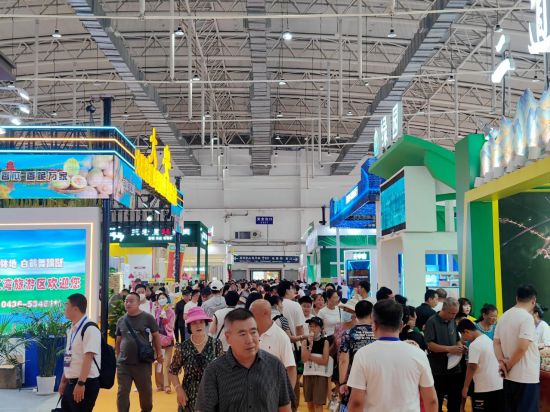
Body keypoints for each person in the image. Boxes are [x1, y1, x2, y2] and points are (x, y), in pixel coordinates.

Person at [347, 299, 438, 412]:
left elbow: (356, 402)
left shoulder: (363, 355)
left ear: (374, 325)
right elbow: (431, 400)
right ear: (401, 325)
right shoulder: (418, 354)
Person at [196, 309, 293, 412]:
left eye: (253, 332)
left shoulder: (275, 365)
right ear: (228, 337)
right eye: (242, 334)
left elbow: (285, 407)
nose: (250, 340)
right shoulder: (214, 371)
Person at [494, 285, 540, 412]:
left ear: (516, 298)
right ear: (533, 301)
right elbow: (522, 347)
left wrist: (502, 362)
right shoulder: (527, 318)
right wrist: (507, 365)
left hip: (509, 377)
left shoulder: (503, 316)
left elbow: (496, 342)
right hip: (525, 377)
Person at [169, 307, 223, 412]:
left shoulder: (216, 344)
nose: (198, 326)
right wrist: (178, 389)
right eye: (194, 323)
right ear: (189, 326)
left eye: (201, 322)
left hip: (211, 395)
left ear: (205, 323)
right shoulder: (183, 347)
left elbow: (222, 370)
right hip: (188, 397)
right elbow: (172, 371)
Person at [115, 292, 163, 412]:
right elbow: (118, 340)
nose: (128, 303)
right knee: (122, 392)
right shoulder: (121, 320)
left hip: (142, 363)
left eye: (131, 301)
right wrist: (118, 356)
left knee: (145, 393)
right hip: (124, 364)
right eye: (126, 301)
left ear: (138, 303)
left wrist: (159, 353)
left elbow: (156, 336)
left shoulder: (148, 318)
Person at [59, 294, 102, 412]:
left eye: (66, 305)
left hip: (85, 383)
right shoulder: (72, 329)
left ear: (75, 309)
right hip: (71, 382)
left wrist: (81, 383)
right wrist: (63, 381)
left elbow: (88, 358)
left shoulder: (90, 329)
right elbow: (69, 357)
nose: (64, 308)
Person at [424, 297, 464, 412]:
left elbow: (457, 340)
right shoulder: (432, 321)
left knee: (455, 401)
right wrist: (450, 349)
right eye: (452, 313)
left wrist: (460, 347)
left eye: (456, 313)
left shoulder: (452, 321)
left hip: (454, 368)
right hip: (438, 369)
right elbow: (430, 345)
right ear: (444, 309)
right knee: (438, 400)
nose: (454, 316)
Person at [457, 319, 504, 411]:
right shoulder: (487, 339)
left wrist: (465, 387)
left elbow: (472, 367)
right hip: (498, 386)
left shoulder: (474, 345)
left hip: (484, 388)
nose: (464, 339)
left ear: (466, 331)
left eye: (463, 335)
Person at [250, 299, 297, 387]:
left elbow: (291, 368)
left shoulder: (281, 337)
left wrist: (288, 394)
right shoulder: (249, 334)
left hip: (273, 390)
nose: (249, 317)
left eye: (252, 313)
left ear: (265, 313)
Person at [338, 300, 376, 404]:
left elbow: (343, 360)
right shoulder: (378, 334)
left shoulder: (348, 333)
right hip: (375, 378)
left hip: (354, 379)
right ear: (372, 314)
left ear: (356, 314)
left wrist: (342, 383)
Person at [301, 316, 331, 412]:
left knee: (318, 404)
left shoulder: (325, 342)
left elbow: (325, 361)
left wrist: (310, 357)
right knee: (309, 404)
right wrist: (310, 345)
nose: (312, 328)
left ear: (321, 329)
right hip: (307, 374)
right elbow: (304, 359)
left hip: (320, 375)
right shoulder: (305, 342)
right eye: (310, 326)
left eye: (315, 326)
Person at [153, 292, 175, 393]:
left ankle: (167, 385)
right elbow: (153, 325)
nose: (162, 299)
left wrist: (165, 319)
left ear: (167, 299)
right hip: (158, 340)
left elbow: (172, 326)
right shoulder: (156, 311)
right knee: (158, 362)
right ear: (157, 301)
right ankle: (159, 384)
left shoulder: (171, 312)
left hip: (168, 339)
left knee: (167, 363)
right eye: (160, 298)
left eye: (164, 298)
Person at [278, 280, 306, 346]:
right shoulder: (295, 305)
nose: (294, 290)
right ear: (287, 291)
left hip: (278, 342)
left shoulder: (276, 304)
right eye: (292, 288)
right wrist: (302, 345)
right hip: (293, 344)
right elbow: (299, 327)